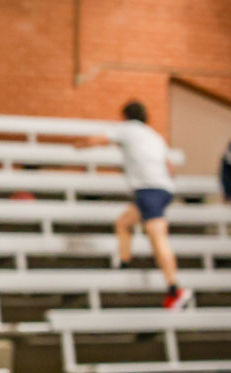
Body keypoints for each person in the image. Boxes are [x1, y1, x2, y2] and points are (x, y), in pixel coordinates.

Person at [77, 101, 190, 310]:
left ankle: (175, 288)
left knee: (157, 238)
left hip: (149, 190)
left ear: (125, 116)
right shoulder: (154, 135)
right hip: (161, 190)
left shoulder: (128, 129)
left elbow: (99, 139)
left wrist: (77, 146)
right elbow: (170, 167)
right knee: (123, 223)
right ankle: (124, 261)